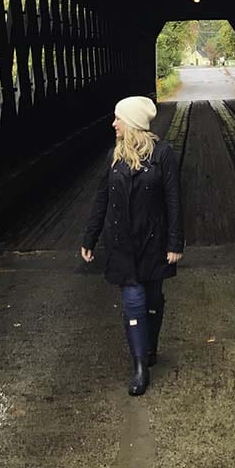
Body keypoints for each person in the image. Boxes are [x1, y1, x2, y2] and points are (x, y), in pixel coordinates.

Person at [80, 96, 184, 396]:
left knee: (153, 299)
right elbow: (102, 199)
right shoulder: (115, 156)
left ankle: (150, 348)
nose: (113, 124)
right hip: (121, 243)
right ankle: (139, 367)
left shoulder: (162, 155)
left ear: (133, 123)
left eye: (118, 119)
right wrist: (90, 237)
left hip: (153, 241)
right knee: (134, 301)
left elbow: (174, 201)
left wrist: (176, 242)